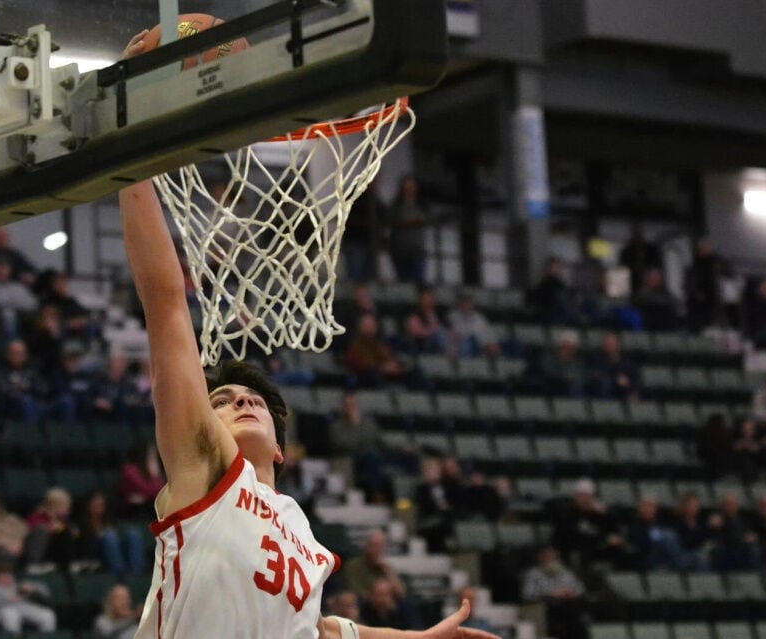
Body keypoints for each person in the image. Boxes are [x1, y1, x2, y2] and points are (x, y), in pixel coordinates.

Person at [114, 28, 500, 639]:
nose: (240, 400)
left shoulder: (295, 523)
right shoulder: (206, 466)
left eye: (253, 401)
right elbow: (165, 304)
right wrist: (126, 158)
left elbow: (320, 629)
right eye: (223, 400)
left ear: (281, 450)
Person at [519, 546, 587, 639]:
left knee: (576, 615)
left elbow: (580, 589)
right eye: (547, 556)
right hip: (547, 605)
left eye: (552, 556)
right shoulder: (533, 573)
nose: (550, 559)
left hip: (568, 604)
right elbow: (527, 595)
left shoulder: (566, 573)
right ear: (540, 557)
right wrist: (550, 594)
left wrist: (570, 592)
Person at [0, 561, 57, 635]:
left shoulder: (16, 584)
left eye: (9, 575)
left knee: (47, 615)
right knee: (11, 614)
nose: (7, 578)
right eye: (3, 576)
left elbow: (46, 591)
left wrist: (33, 588)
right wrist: (15, 596)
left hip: (22, 607)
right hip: (0, 610)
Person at [387, 175, 431, 287]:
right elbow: (393, 220)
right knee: (404, 281)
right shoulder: (397, 206)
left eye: (412, 187)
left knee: (418, 280)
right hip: (401, 249)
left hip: (417, 248)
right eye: (407, 187)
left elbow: (426, 219)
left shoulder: (421, 205)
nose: (410, 189)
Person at [446, 293, 501, 360]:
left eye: (468, 303)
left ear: (472, 304)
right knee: (470, 341)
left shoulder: (479, 317)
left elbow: (488, 333)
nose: (466, 305)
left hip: (481, 345)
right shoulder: (453, 317)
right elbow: (458, 335)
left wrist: (491, 343)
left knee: (511, 342)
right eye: (464, 303)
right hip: (463, 344)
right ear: (459, 304)